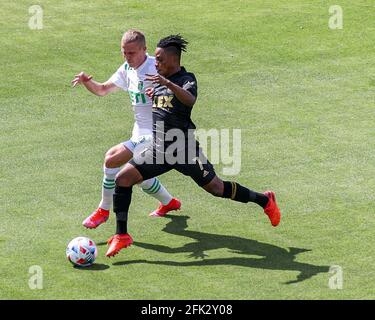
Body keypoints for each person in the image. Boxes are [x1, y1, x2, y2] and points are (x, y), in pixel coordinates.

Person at [105, 34, 281, 257]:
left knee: (216, 188)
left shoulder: (186, 79)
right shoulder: (158, 82)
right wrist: (154, 92)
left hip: (183, 150)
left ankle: (265, 200)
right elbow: (162, 107)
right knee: (123, 179)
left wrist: (166, 84)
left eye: (159, 60)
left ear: (172, 60)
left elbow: (189, 99)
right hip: (158, 149)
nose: (155, 64)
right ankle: (122, 235)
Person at [71, 29, 181, 229]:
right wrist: (88, 82)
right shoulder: (127, 69)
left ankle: (103, 210)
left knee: (112, 158)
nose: (127, 57)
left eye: (131, 53)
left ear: (144, 50)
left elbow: (176, 89)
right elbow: (103, 90)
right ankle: (169, 202)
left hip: (156, 133)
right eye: (124, 52)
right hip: (139, 132)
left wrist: (160, 92)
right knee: (140, 178)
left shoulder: (155, 67)